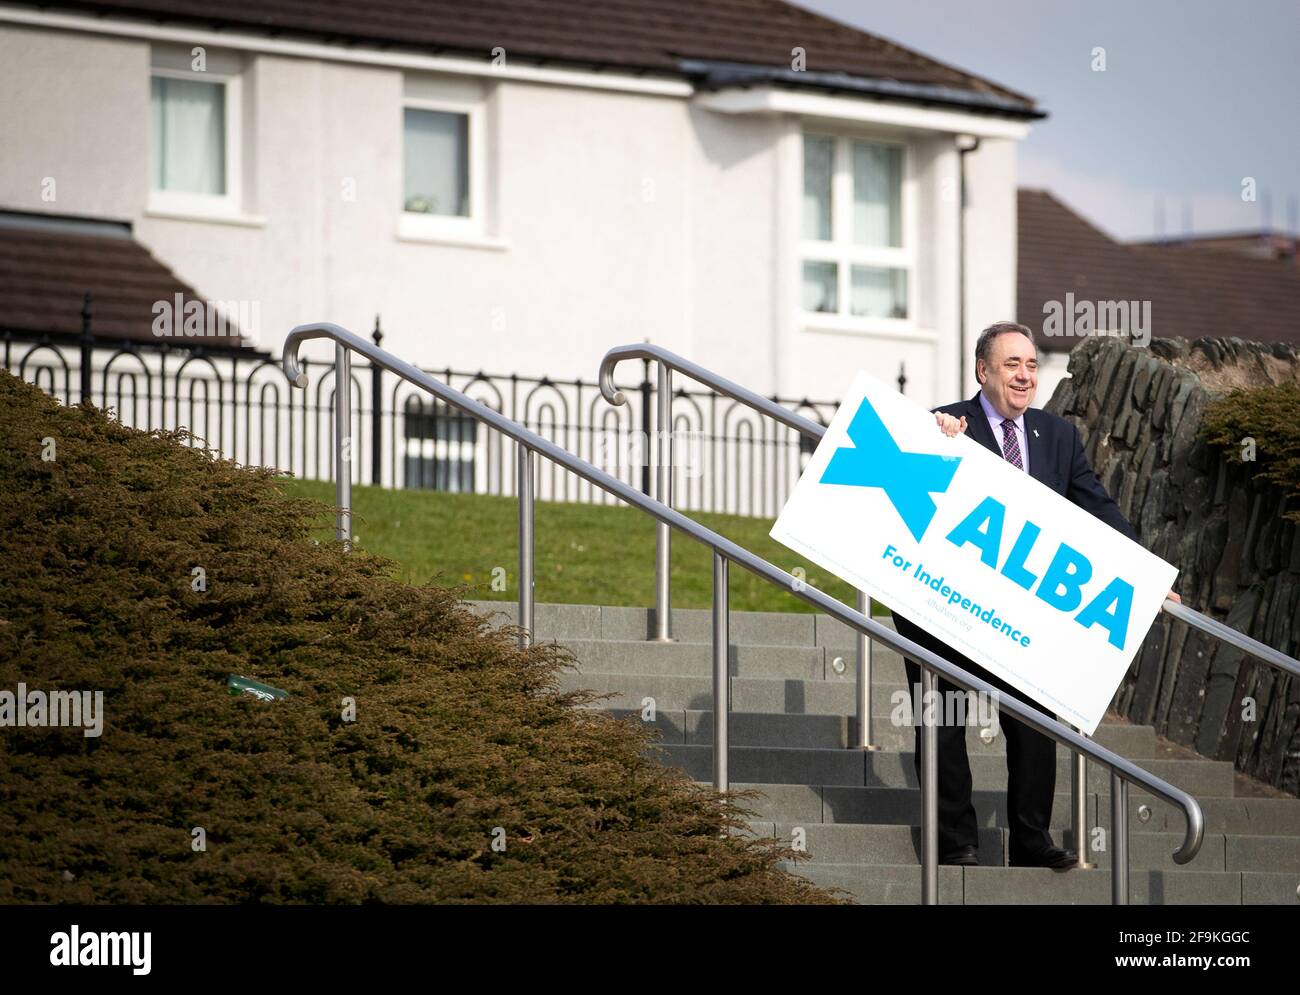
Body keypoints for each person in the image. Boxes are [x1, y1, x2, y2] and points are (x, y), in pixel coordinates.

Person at [894, 320, 1180, 869]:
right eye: (1012, 365)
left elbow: (1098, 508)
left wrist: (1150, 573)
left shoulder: (1059, 436)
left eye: (1031, 365)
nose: (1025, 376)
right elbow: (911, 475)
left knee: (1033, 722)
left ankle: (1031, 842)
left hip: (1022, 616)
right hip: (943, 606)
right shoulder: (949, 422)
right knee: (944, 722)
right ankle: (955, 844)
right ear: (984, 371)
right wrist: (933, 435)